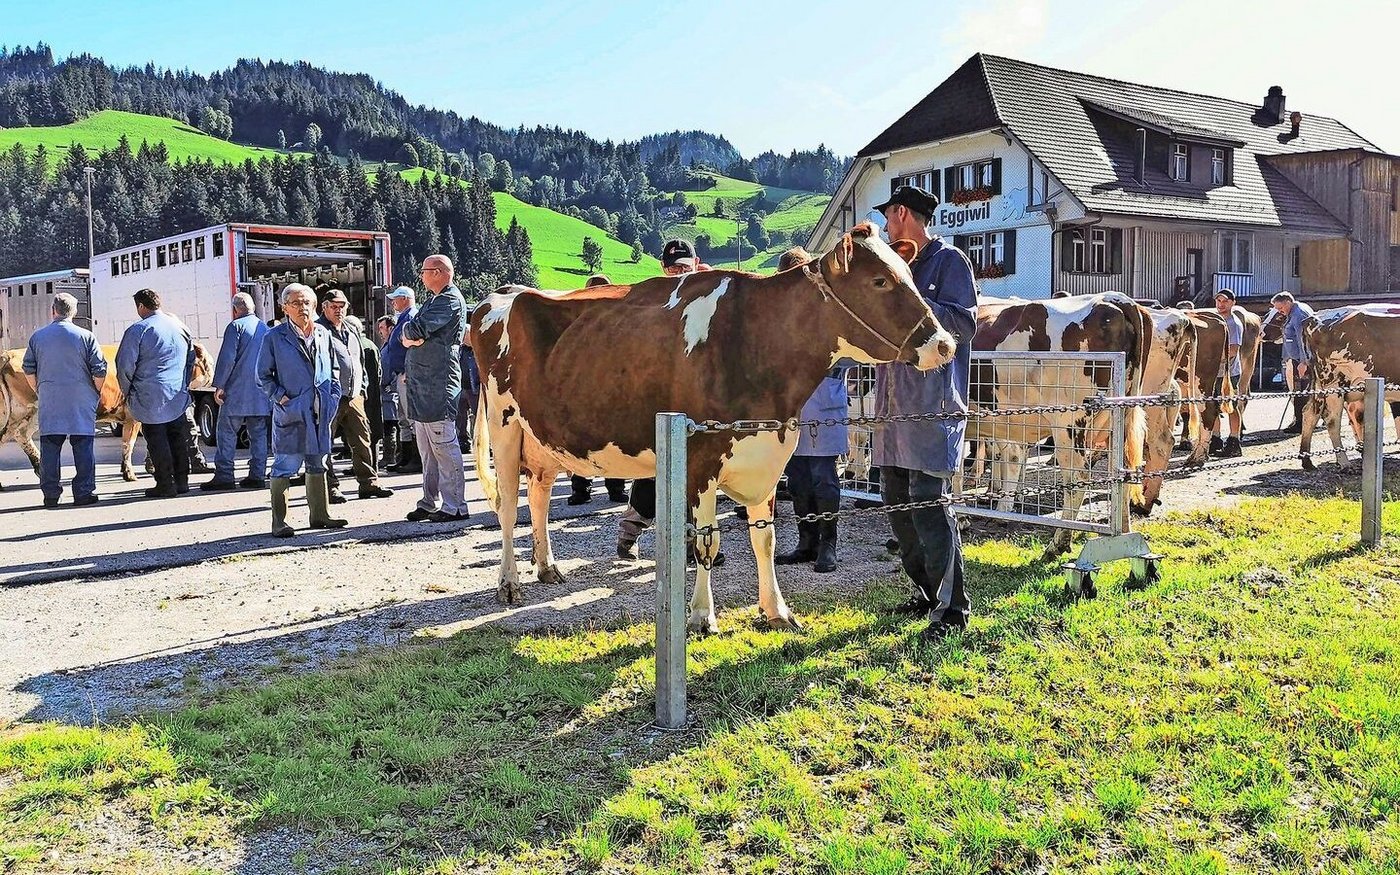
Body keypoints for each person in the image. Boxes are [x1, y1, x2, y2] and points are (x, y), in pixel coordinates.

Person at [871, 185, 978, 642]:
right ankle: (927, 592)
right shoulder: (895, 265)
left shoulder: (950, 262)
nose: (886, 224)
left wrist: (911, 297)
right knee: (897, 507)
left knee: (929, 507)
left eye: (890, 216)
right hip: (893, 409)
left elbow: (965, 321)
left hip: (932, 406)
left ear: (901, 214)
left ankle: (953, 608)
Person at [617, 239, 724, 561]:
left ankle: (697, 541)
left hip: (700, 398)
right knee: (651, 468)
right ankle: (629, 532)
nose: (678, 272)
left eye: (684, 267)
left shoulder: (711, 297)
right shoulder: (651, 302)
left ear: (696, 263)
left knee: (699, 471)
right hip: (658, 397)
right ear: (663, 268)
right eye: (673, 267)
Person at [773, 247, 848, 573]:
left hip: (823, 403)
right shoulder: (778, 316)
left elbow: (848, 353)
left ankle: (828, 544)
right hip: (792, 410)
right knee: (798, 480)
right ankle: (807, 542)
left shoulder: (832, 310)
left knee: (823, 479)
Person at [257, 283, 347, 537]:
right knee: (285, 465)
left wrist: (333, 394)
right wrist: (282, 398)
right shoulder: (273, 337)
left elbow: (334, 369)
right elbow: (262, 376)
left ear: (315, 306)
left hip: (320, 412)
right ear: (285, 308)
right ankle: (279, 522)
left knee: (318, 464)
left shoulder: (322, 333)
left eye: (307, 302)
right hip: (292, 412)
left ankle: (320, 516)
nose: (302, 307)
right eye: (296, 303)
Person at [22, 292, 108, 508]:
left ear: (53, 310)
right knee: (83, 447)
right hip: (81, 399)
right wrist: (95, 392)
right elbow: (99, 369)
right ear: (75, 312)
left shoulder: (38, 337)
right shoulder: (86, 336)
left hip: (51, 400)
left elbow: (28, 369)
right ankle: (83, 493)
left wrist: (40, 389)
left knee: (50, 448)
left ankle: (51, 495)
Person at [401, 254, 470, 523]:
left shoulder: (449, 300)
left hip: (438, 384)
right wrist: (409, 336)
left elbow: (414, 329)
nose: (421, 275)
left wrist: (410, 335)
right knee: (428, 451)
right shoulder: (434, 300)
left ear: (439, 272)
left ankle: (455, 505)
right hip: (423, 385)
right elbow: (408, 333)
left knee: (444, 447)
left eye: (424, 270)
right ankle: (429, 502)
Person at [115, 288, 196, 498]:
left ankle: (165, 484)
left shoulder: (138, 330)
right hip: (176, 394)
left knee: (157, 439)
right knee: (177, 437)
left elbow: (124, 365)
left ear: (141, 306)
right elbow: (190, 360)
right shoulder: (180, 327)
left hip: (149, 395)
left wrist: (127, 391)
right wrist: (183, 383)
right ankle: (182, 481)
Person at [317, 289, 393, 503]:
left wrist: (363, 387)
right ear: (325, 307)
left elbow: (358, 361)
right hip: (330, 395)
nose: (339, 310)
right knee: (325, 442)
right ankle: (330, 487)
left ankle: (369, 483)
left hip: (353, 395)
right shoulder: (319, 330)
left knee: (362, 439)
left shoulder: (351, 330)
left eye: (342, 306)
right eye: (334, 306)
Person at [201, 292, 271, 490]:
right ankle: (257, 475)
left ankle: (225, 475)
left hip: (236, 392)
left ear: (235, 309)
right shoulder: (265, 328)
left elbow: (227, 358)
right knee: (258, 435)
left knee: (226, 433)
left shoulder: (235, 327)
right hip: (260, 393)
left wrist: (219, 385)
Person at [568, 273, 628, 506]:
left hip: (610, 389)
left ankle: (612, 488)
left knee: (611, 440)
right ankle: (583, 489)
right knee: (583, 440)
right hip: (586, 390)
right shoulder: (578, 322)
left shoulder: (617, 322)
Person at [382, 286, 421, 474]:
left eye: (395, 299)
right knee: (404, 418)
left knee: (411, 416)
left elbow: (414, 347)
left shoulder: (412, 317)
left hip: (407, 374)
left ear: (405, 299)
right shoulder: (403, 318)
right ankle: (405, 457)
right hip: (401, 374)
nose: (392, 303)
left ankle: (416, 458)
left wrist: (409, 370)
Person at [1270, 291, 1315, 433]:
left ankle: (1301, 423)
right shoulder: (1295, 311)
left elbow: (1303, 339)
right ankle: (1299, 420)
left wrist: (1304, 362)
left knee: (1301, 391)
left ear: (1288, 302)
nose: (1279, 311)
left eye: (1280, 307)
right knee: (1299, 391)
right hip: (1298, 359)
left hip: (1302, 361)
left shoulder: (1298, 315)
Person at [1210, 289, 1244, 458]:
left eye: (1225, 301)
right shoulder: (1217, 321)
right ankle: (1215, 438)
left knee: (1230, 406)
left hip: (1228, 372)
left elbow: (1233, 350)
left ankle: (1234, 440)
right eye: (1218, 301)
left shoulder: (1233, 323)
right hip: (1215, 372)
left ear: (1232, 303)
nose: (1221, 304)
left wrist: (1210, 358)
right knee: (1214, 405)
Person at [375, 315, 401, 468]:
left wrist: (390, 385)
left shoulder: (393, 347)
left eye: (382, 328)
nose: (380, 332)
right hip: (386, 392)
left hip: (390, 392)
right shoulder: (387, 345)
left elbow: (392, 368)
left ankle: (390, 456)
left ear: (390, 328)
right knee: (390, 425)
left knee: (391, 426)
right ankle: (391, 455)